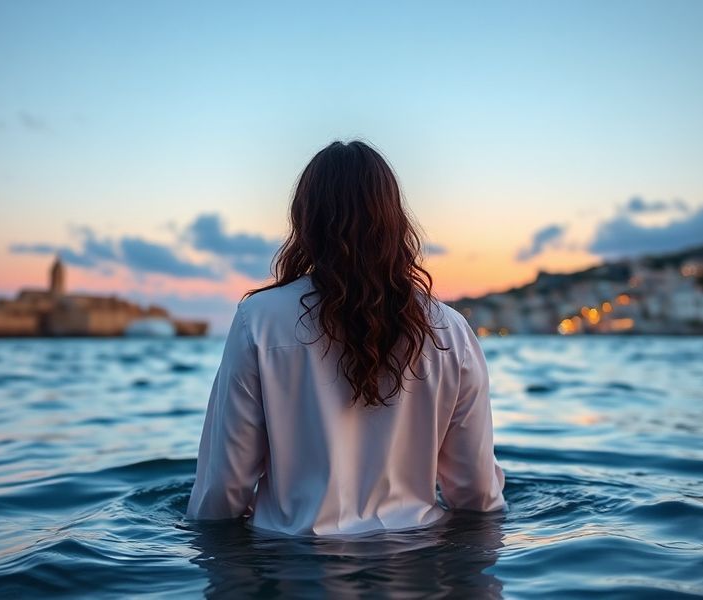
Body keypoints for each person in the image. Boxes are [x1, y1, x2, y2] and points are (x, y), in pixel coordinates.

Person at [185, 140, 505, 536]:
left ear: (305, 220)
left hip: (294, 563)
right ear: (394, 219)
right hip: (415, 558)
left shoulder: (258, 320)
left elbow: (223, 489)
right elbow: (477, 495)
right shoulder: (451, 330)